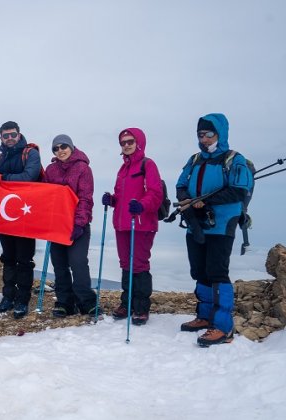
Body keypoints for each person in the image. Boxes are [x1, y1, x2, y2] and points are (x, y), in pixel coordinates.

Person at [175, 113, 253, 346]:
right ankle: (205, 316)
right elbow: (180, 185)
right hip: (196, 223)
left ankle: (223, 327)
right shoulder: (195, 159)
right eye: (201, 134)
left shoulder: (234, 160)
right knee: (200, 271)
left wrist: (206, 202)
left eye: (210, 134)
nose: (205, 139)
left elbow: (239, 190)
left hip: (221, 224)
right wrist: (188, 200)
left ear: (221, 134)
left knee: (217, 271)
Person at [0, 121, 42, 319]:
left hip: (25, 215)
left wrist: (4, 178)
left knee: (24, 259)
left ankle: (22, 299)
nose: (10, 138)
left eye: (13, 134)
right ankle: (8, 297)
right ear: (1, 138)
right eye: (6, 136)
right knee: (9, 258)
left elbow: (30, 176)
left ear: (19, 134)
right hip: (5, 217)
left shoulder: (30, 154)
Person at [102, 128, 163, 326]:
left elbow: (155, 193)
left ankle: (141, 307)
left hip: (142, 223)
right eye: (123, 143)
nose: (126, 145)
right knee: (126, 264)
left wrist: (142, 205)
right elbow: (121, 196)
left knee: (139, 264)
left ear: (139, 143)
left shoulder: (148, 165)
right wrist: (112, 200)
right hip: (122, 224)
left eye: (130, 141)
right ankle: (127, 303)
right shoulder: (123, 169)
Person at [44, 135, 98, 317]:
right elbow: (45, 195)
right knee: (59, 265)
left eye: (63, 146)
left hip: (78, 225)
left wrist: (80, 223)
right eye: (55, 148)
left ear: (72, 147)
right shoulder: (50, 170)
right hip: (57, 225)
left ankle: (87, 302)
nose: (60, 150)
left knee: (78, 262)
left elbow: (85, 197)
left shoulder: (83, 168)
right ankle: (64, 302)